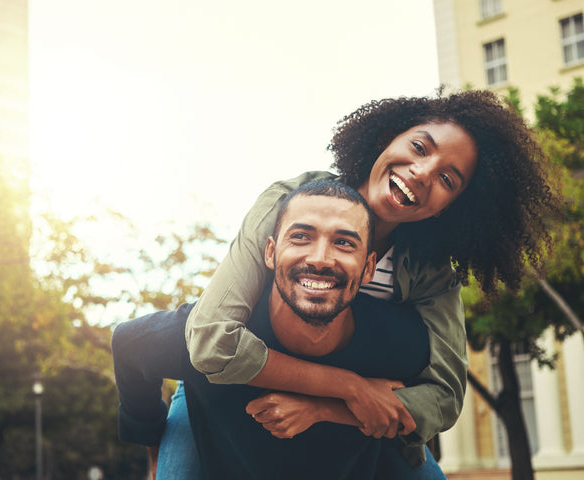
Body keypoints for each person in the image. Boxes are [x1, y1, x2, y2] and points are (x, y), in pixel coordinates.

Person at [157, 90, 560, 478]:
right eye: (420, 148)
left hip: (363, 425)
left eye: (448, 180)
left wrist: (329, 406)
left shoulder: (431, 273)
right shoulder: (292, 200)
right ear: (388, 138)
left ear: (450, 208)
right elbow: (211, 340)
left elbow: (445, 396)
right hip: (225, 393)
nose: (421, 173)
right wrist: (350, 386)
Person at [113, 180, 434, 479]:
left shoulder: (402, 345)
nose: (320, 258)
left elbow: (432, 407)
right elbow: (127, 344)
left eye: (344, 243)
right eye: (301, 236)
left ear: (369, 268)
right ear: (269, 252)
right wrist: (155, 450)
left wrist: (325, 408)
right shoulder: (205, 336)